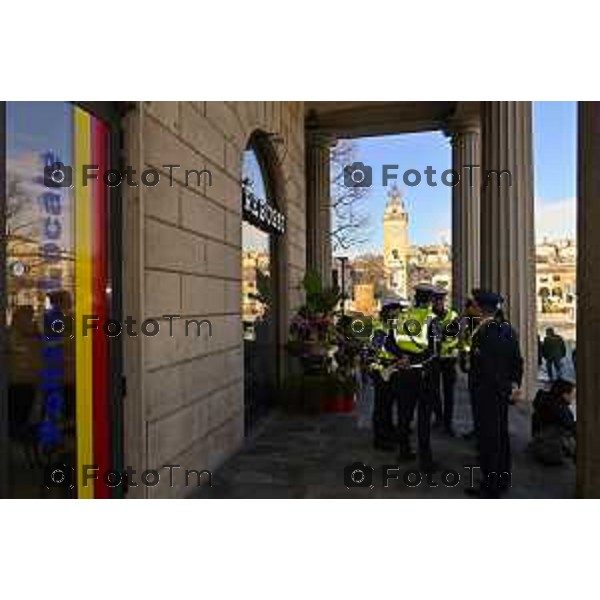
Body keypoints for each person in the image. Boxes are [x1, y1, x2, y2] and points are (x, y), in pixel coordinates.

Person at [466, 290, 523, 498]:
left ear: (480, 309)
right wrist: (514, 385)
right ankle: (502, 479)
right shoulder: (507, 329)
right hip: (499, 393)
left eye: (473, 305)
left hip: (487, 395)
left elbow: (490, 369)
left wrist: (505, 387)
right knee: (500, 438)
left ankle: (491, 486)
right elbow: (517, 361)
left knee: (488, 440)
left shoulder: (486, 334)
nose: (470, 309)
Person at [387, 283, 440, 470]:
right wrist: (413, 360)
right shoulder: (431, 319)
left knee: (404, 413)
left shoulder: (400, 317)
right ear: (431, 300)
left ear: (416, 298)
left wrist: (402, 358)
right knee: (424, 418)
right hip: (424, 375)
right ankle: (425, 459)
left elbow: (388, 344)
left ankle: (404, 451)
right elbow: (434, 351)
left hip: (403, 373)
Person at [431, 288, 460, 436]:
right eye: (435, 301)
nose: (438, 304)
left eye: (440, 301)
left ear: (443, 301)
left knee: (449, 393)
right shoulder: (429, 316)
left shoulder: (452, 316)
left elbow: (451, 337)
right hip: (434, 359)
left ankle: (448, 424)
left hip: (448, 359)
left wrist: (440, 337)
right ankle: (439, 418)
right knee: (434, 391)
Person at [530, 379, 576, 465]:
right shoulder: (561, 409)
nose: (573, 398)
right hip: (550, 453)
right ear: (565, 395)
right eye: (572, 394)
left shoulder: (546, 399)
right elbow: (572, 428)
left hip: (538, 444)